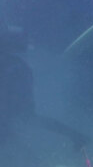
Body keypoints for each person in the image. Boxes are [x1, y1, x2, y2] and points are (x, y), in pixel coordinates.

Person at [0, 21, 88, 156]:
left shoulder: (15, 66)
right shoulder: (16, 64)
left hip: (13, 105)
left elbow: (19, 90)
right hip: (15, 105)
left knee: (17, 125)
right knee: (27, 121)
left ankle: (76, 137)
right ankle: (77, 136)